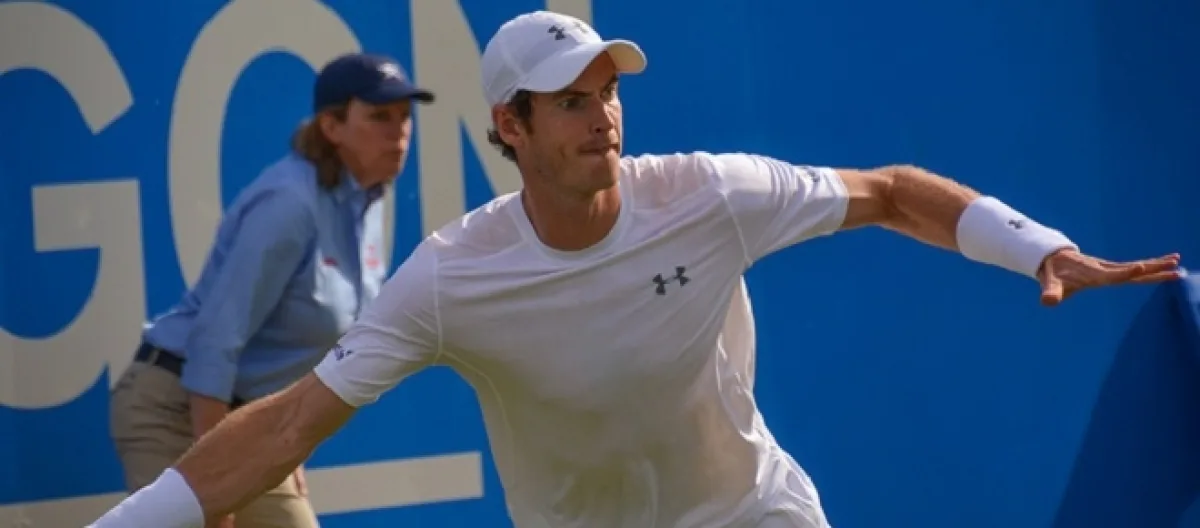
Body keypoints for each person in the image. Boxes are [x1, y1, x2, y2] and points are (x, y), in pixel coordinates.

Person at [89, 10, 1181, 528]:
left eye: (608, 92)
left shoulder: (707, 193)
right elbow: (287, 424)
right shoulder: (452, 275)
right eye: (570, 101)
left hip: (753, 513)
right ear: (510, 127)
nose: (602, 117)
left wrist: (1038, 246)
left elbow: (892, 191)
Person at [104, 52, 433, 528]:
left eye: (404, 117)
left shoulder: (367, 200)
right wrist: (216, 490)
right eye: (380, 116)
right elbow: (215, 341)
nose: (398, 132)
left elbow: (309, 344)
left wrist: (285, 438)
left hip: (248, 422)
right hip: (177, 410)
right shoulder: (289, 203)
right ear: (332, 127)